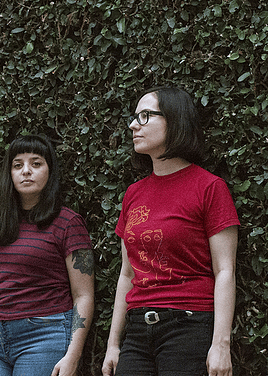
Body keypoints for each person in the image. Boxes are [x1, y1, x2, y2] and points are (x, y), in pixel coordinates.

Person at [101, 87, 239, 376]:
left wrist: (221, 344)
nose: (133, 125)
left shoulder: (209, 187)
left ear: (175, 120)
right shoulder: (133, 194)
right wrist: (113, 344)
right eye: (134, 117)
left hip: (188, 326)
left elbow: (225, 270)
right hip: (137, 332)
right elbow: (126, 274)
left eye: (145, 116)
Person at [0, 134, 95, 376]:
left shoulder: (68, 222)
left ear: (50, 170)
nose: (26, 171)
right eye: (18, 165)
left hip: (44, 336)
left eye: (36, 163)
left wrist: (73, 355)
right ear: (9, 174)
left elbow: (84, 295)